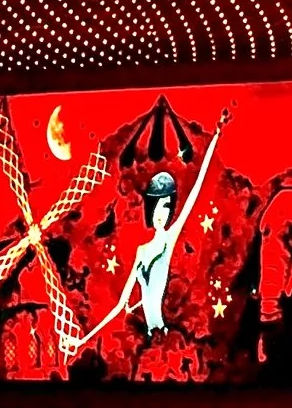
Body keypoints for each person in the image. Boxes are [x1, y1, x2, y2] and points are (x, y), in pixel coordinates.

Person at [77, 117, 227, 353]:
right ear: (150, 207)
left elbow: (196, 189)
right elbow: (118, 306)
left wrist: (216, 135)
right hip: (147, 339)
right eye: (158, 206)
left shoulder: (169, 238)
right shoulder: (141, 251)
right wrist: (83, 341)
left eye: (167, 207)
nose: (161, 213)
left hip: (164, 335)